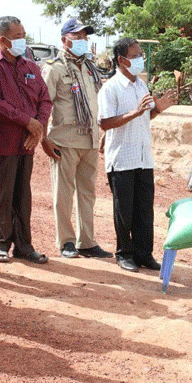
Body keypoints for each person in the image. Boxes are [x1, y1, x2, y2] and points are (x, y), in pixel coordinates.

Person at [97, 38, 176, 272]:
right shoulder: (110, 88)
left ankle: (144, 254)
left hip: (143, 158)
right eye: (136, 55)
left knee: (144, 210)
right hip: (122, 158)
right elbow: (105, 123)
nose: (141, 59)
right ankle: (124, 253)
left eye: (141, 54)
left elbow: (144, 116)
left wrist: (157, 109)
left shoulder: (141, 85)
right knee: (124, 211)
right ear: (122, 60)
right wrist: (135, 112)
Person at [0, 16, 52, 264]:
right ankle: (0, 244)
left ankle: (24, 246)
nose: (22, 40)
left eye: (23, 35)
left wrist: (37, 125)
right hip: (1, 142)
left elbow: (45, 99)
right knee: (1, 196)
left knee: (22, 196)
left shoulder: (31, 67)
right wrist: (26, 121)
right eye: (17, 36)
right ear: (3, 40)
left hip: (26, 143)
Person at [41, 18, 112, 259]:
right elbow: (43, 104)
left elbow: (97, 104)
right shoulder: (54, 68)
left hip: (89, 140)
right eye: (77, 37)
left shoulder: (90, 68)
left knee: (87, 193)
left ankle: (87, 241)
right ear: (65, 40)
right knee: (63, 194)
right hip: (64, 140)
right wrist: (44, 138)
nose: (83, 41)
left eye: (85, 37)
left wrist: (103, 133)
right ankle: (66, 241)